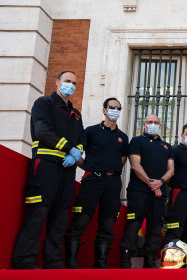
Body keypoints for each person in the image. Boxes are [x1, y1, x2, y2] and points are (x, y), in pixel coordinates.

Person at [12, 71, 86, 269]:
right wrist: (69, 148)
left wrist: (77, 151)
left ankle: (53, 261)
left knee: (60, 218)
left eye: (74, 83)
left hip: (67, 170)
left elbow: (82, 138)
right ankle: (24, 260)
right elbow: (42, 131)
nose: (71, 85)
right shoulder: (43, 103)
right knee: (38, 213)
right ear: (58, 82)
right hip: (45, 166)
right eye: (68, 81)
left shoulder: (76, 114)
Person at [64, 97, 129, 269]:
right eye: (112, 107)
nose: (115, 110)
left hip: (113, 182)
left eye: (118, 107)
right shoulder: (91, 131)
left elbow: (122, 159)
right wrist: (91, 168)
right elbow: (78, 154)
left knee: (108, 223)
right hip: (92, 180)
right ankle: (71, 262)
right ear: (104, 110)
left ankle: (100, 264)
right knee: (81, 219)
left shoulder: (123, 137)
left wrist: (111, 170)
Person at [119, 114, 174, 269]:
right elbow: (135, 165)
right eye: (150, 122)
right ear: (144, 124)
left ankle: (149, 260)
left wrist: (161, 182)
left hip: (159, 192)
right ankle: (125, 259)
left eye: (156, 122)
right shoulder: (137, 141)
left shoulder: (166, 146)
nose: (153, 124)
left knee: (156, 226)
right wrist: (152, 184)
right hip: (139, 191)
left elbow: (171, 169)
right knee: (133, 224)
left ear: (160, 126)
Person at [162, 123, 187, 259]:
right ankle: (168, 260)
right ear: (182, 136)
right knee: (175, 228)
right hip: (179, 193)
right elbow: (168, 173)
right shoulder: (175, 151)